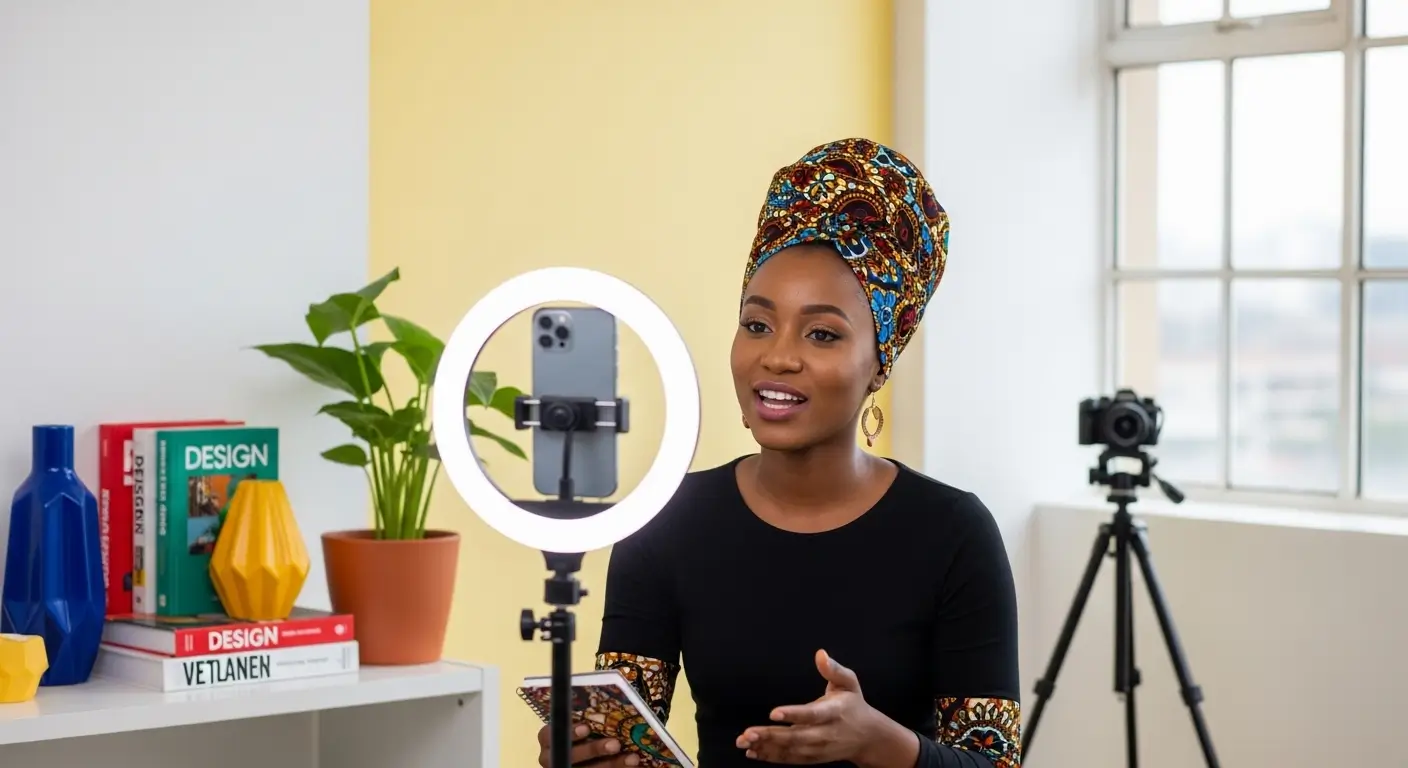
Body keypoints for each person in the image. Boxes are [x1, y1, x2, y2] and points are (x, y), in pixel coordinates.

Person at [535, 138, 1021, 768]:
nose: (777, 357)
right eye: (757, 324)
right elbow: (635, 735)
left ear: (880, 362)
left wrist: (882, 742)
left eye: (822, 333)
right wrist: (592, 752)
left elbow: (994, 762)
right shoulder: (664, 521)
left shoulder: (955, 533)